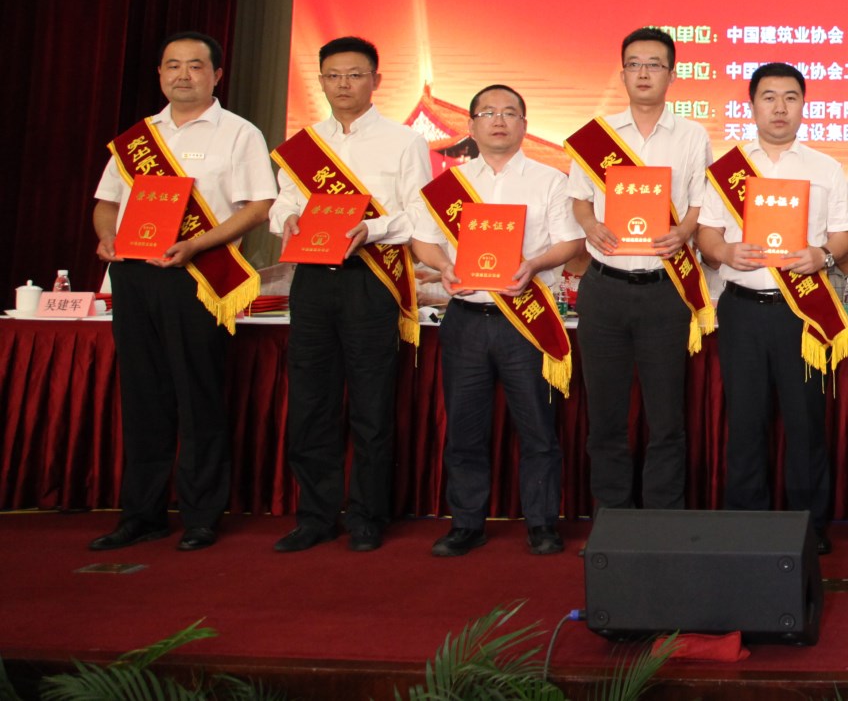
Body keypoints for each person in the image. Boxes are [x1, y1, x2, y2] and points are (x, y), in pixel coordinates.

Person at [88, 31, 277, 553]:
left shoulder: (239, 133)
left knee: (198, 397)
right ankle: (142, 514)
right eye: (172, 65)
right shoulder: (138, 138)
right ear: (159, 74)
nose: (182, 75)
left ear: (217, 75)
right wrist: (106, 235)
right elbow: (107, 202)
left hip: (199, 275)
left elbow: (259, 206)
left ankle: (200, 515)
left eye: (195, 66)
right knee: (142, 397)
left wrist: (196, 243)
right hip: (134, 275)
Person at [267, 36, 431, 553]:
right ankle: (315, 515)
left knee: (371, 403)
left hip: (371, 276)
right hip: (313, 279)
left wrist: (372, 229)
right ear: (320, 81)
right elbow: (282, 203)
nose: (344, 84)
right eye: (334, 75)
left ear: (376, 80)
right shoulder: (304, 145)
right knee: (311, 400)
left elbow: (419, 212)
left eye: (355, 75)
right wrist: (286, 219)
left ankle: (367, 515)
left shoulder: (404, 141)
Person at [412, 85, 585, 556]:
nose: (499, 120)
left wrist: (533, 264)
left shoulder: (550, 180)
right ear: (471, 125)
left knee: (538, 428)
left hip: (525, 320)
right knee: (465, 428)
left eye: (510, 113)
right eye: (488, 112)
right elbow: (423, 240)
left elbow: (570, 242)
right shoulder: (446, 186)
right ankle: (466, 523)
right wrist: (443, 266)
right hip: (466, 319)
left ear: (524, 125)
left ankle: (542, 523)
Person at [696, 62, 848, 555]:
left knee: (806, 423)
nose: (780, 107)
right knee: (746, 422)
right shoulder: (727, 170)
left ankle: (810, 525)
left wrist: (822, 255)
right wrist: (726, 252)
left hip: (801, 313)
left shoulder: (825, 168)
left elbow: (844, 236)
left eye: (791, 97)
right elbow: (707, 235)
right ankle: (748, 524)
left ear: (804, 105)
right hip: (742, 310)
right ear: (752, 106)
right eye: (769, 97)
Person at [564, 27, 713, 513]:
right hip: (605, 288)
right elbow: (579, 199)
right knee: (606, 415)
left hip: (665, 290)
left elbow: (700, 202)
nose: (643, 73)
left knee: (666, 416)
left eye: (654, 64)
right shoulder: (597, 136)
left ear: (672, 73)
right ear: (622, 72)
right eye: (634, 64)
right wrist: (591, 226)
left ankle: (662, 518)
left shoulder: (692, 135)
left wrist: (684, 231)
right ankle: (612, 516)